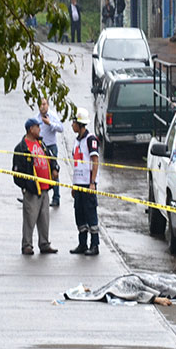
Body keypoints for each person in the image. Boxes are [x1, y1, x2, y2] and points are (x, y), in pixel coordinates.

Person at [13, 118, 59, 255]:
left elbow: (51, 157)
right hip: (32, 190)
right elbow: (17, 172)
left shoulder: (41, 144)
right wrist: (26, 186)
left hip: (45, 188)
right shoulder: (21, 148)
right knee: (30, 218)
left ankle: (44, 243)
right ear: (30, 129)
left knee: (44, 218)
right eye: (37, 127)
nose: (39, 129)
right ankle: (27, 245)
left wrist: (55, 168)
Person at [69, 108, 100, 256]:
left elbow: (95, 161)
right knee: (79, 214)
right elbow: (76, 165)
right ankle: (82, 243)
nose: (72, 125)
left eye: (74, 122)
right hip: (78, 183)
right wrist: (74, 185)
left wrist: (92, 182)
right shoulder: (77, 141)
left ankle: (94, 245)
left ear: (80, 124)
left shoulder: (90, 139)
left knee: (90, 214)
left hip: (88, 183)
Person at [36, 98, 64, 207]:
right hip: (40, 147)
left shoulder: (52, 116)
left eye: (44, 104)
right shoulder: (36, 117)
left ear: (48, 105)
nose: (42, 107)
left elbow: (61, 128)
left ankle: (56, 197)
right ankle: (38, 195)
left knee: (53, 171)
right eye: (40, 104)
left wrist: (50, 123)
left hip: (51, 147)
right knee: (39, 170)